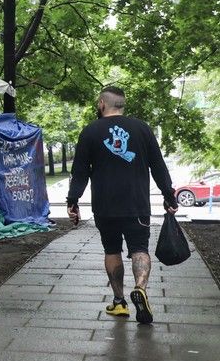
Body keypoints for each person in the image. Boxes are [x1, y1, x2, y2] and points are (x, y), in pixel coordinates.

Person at [66, 86, 178, 324]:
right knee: (139, 248)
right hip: (136, 203)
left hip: (105, 206)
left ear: (101, 104)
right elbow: (158, 166)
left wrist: (73, 200)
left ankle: (119, 302)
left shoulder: (90, 132)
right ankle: (140, 289)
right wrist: (169, 195)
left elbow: (79, 172)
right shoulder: (142, 129)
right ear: (122, 105)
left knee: (112, 250)